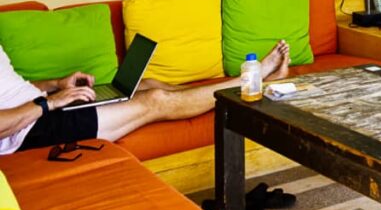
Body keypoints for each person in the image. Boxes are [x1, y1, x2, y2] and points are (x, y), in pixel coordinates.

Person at [0, 40, 290, 155]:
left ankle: (253, 82)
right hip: (29, 130)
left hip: (41, 107)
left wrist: (55, 84)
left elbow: (9, 90)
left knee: (148, 82)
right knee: (156, 99)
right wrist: (50, 102)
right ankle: (250, 82)